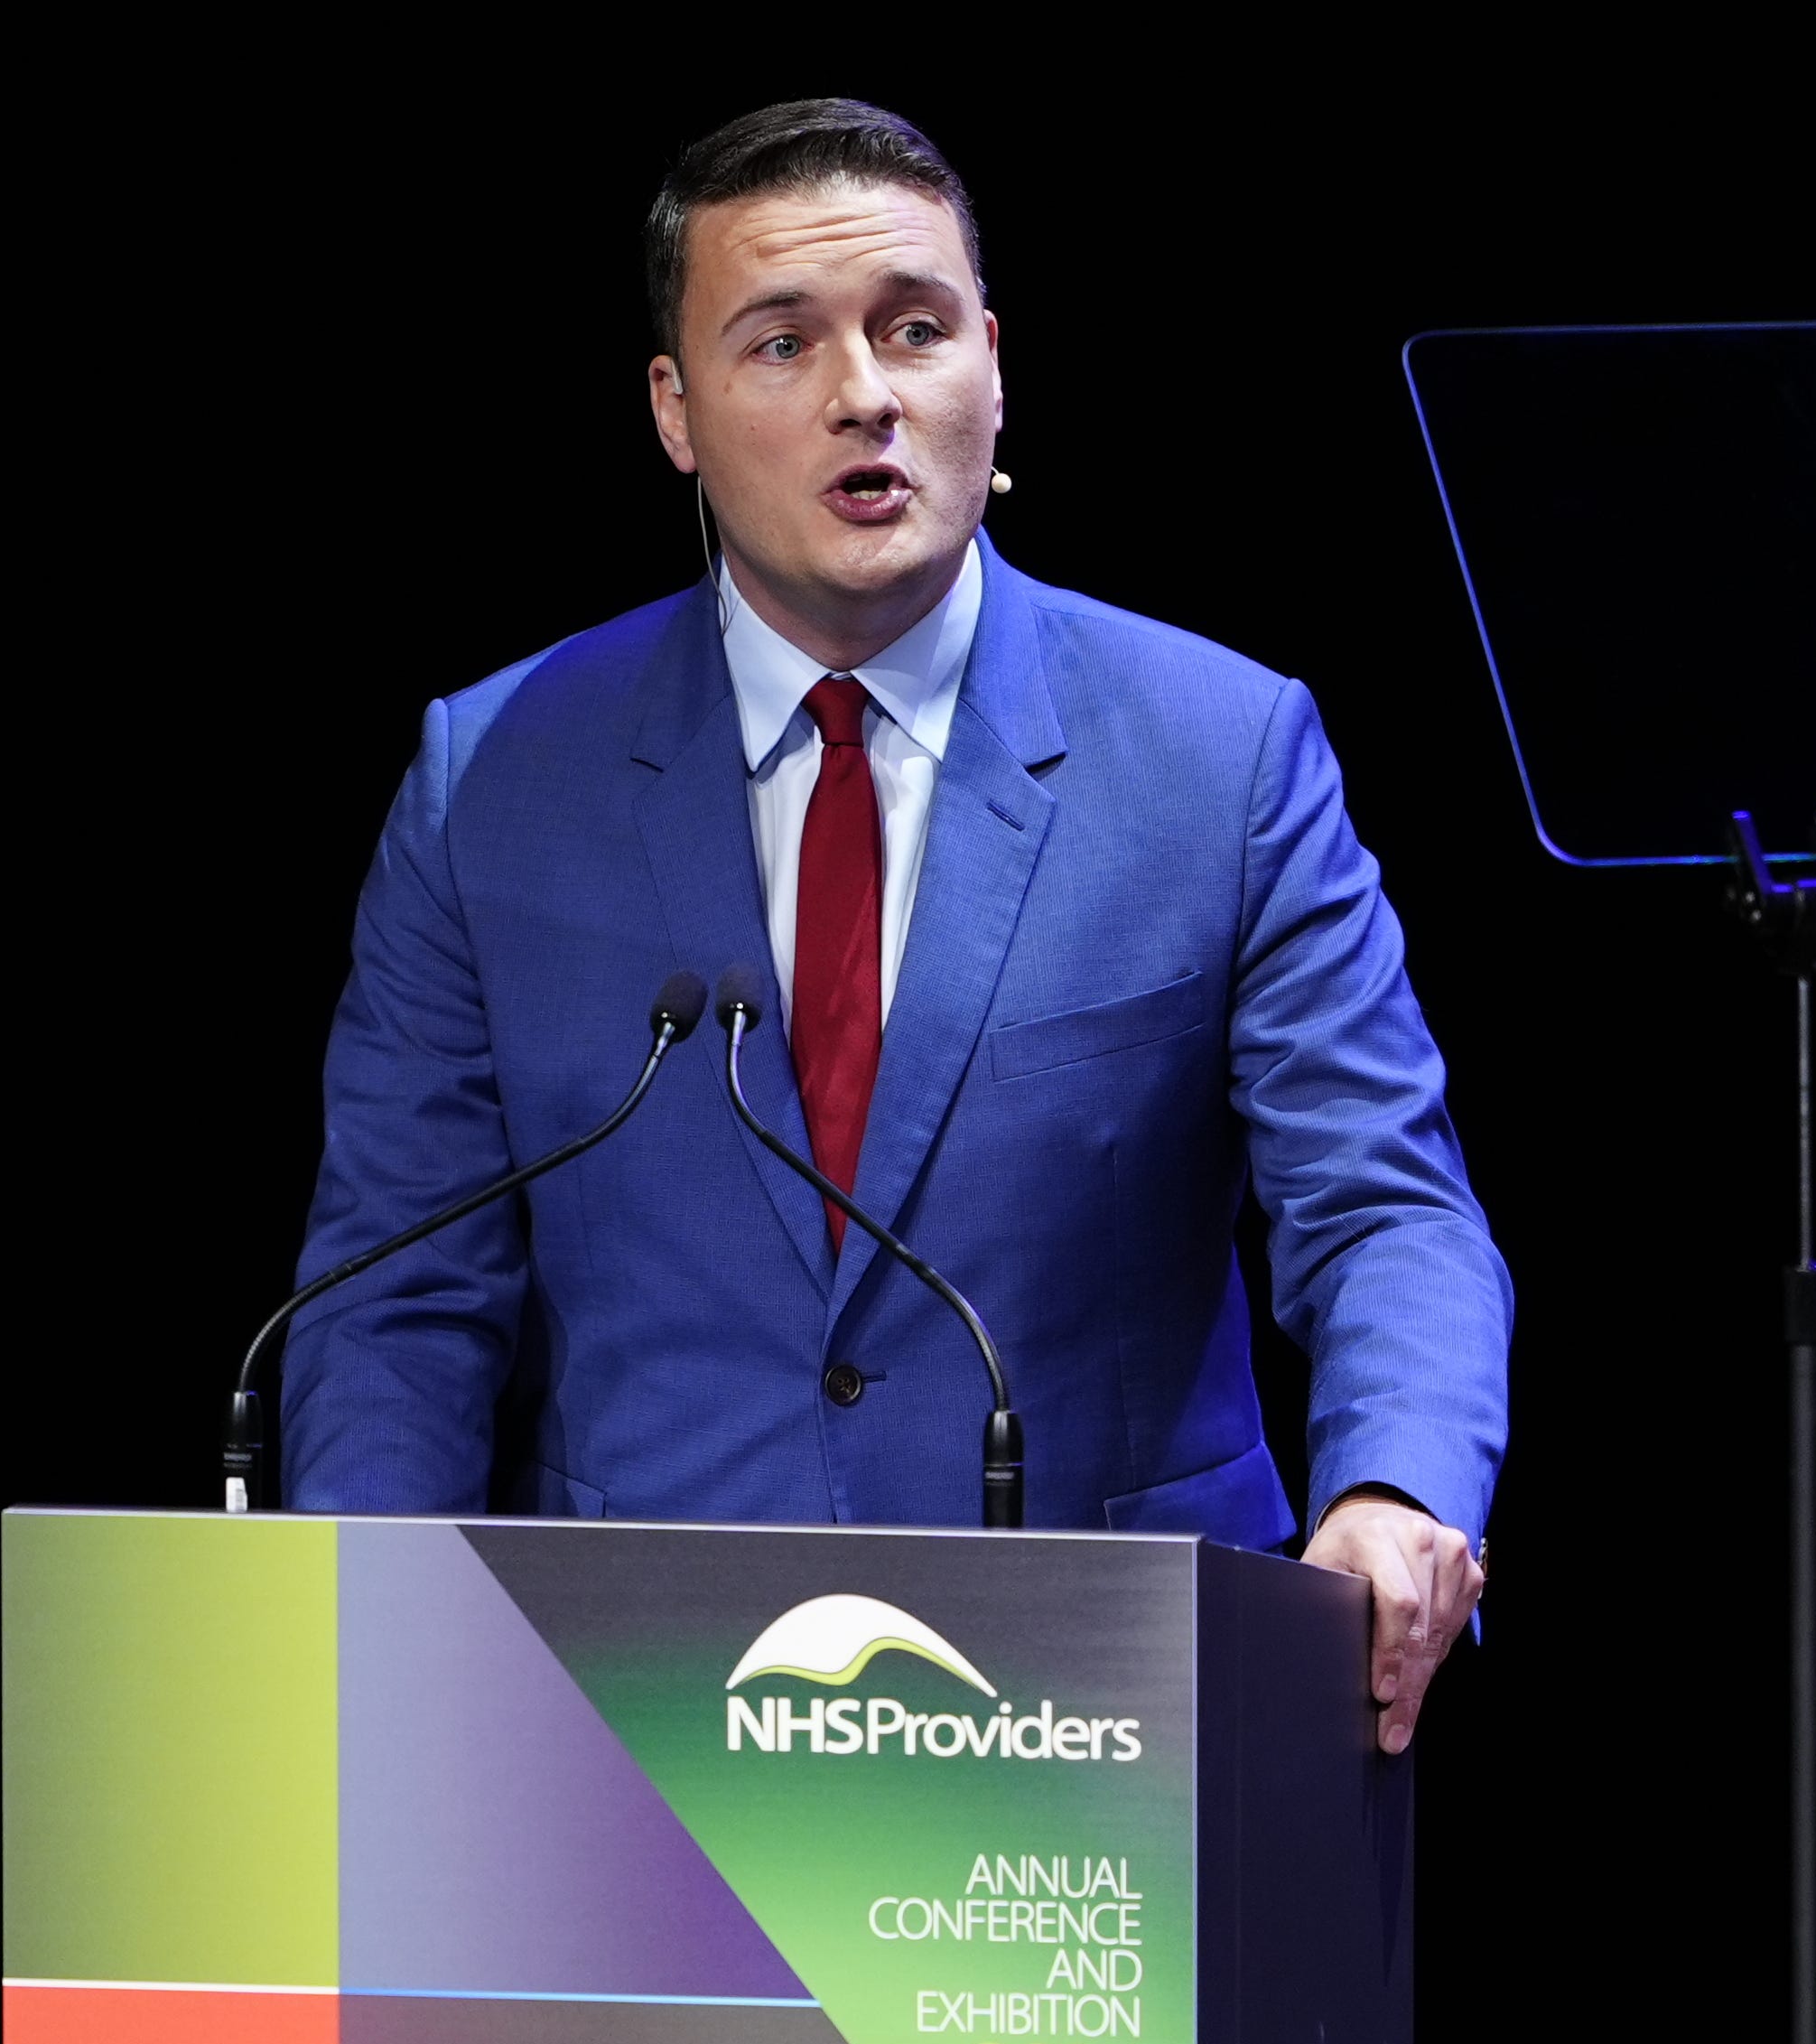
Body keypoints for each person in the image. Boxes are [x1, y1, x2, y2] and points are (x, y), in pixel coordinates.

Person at [283, 99, 1505, 1753]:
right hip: (628, 1732)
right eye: (781, 344)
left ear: (991, 365)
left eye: (913, 329)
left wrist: (1391, 1486)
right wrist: (357, 1632)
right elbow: (397, 1291)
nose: (867, 392)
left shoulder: (1221, 754)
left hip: (1111, 1727)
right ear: (677, 413)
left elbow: (1383, 1206)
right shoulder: (493, 776)